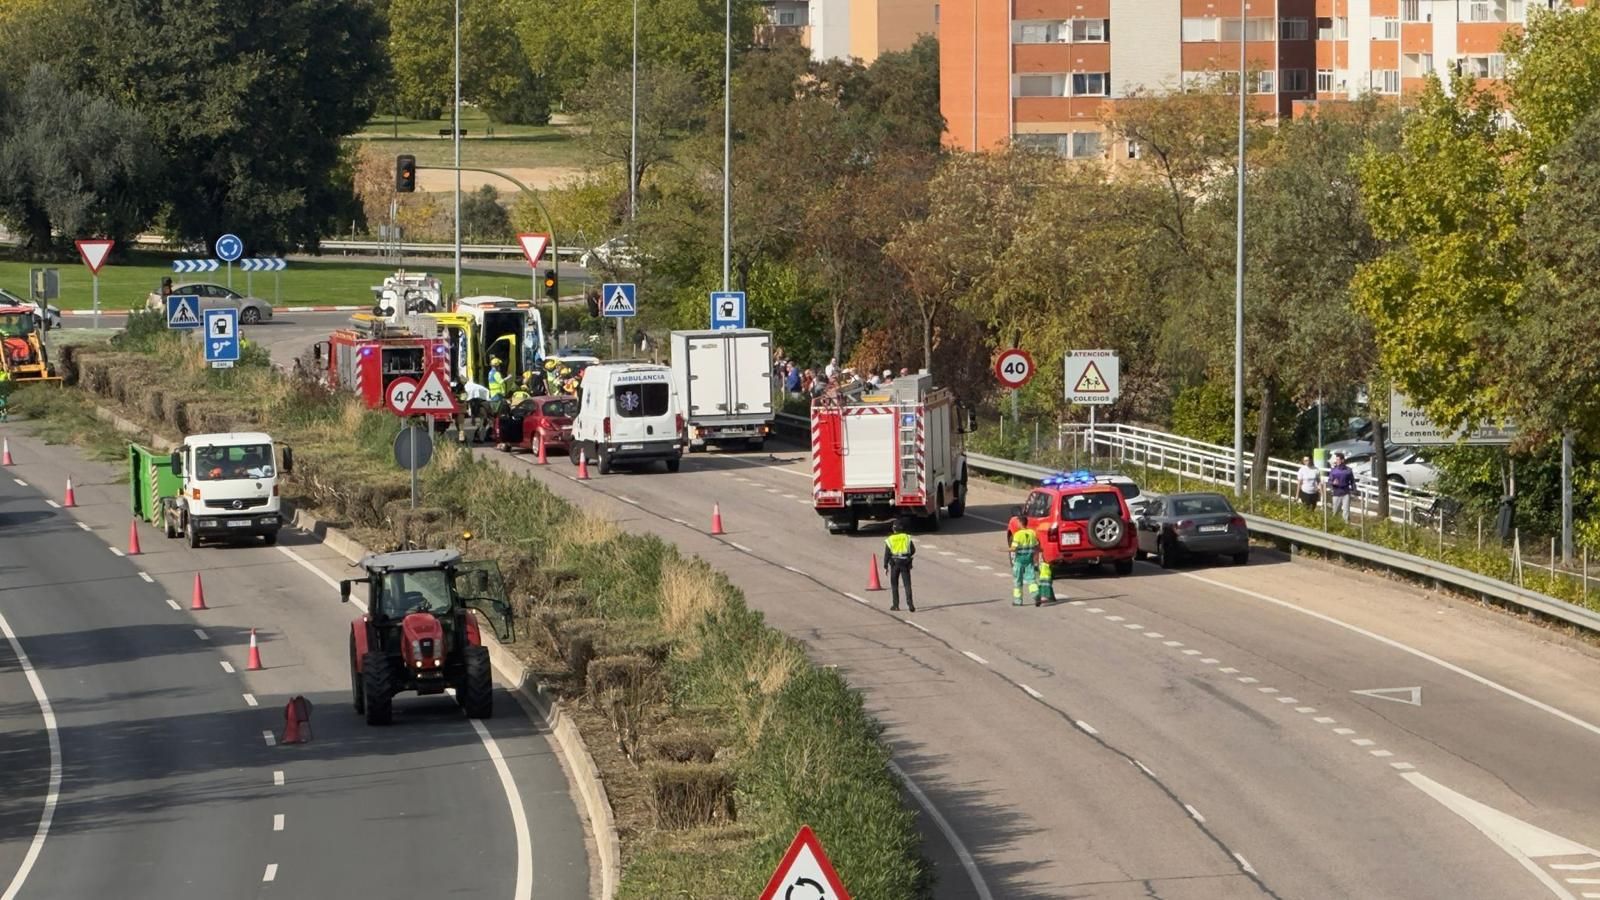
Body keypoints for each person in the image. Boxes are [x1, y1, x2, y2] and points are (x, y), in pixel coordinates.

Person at [883, 519, 916, 612]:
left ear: (894, 529)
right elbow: (913, 550)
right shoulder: (907, 537)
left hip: (894, 564)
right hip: (905, 563)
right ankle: (910, 604)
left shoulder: (890, 539)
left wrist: (885, 566)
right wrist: (907, 555)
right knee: (907, 584)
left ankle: (896, 605)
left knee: (894, 585)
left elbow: (887, 554)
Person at [1010, 518, 1042, 606]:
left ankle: (1018, 600)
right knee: (1031, 579)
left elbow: (1014, 548)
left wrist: (1005, 550)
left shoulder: (1017, 535)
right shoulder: (1032, 533)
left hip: (1019, 560)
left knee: (1018, 581)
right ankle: (1036, 594)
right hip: (1029, 560)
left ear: (1020, 523)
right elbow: (1036, 547)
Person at [1327, 451, 1356, 522]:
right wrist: (1333, 483)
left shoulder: (1348, 470)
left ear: (1342, 460)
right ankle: (1334, 525)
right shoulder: (1333, 470)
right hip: (1336, 493)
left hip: (1346, 493)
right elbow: (1329, 481)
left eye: (1338, 460)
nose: (1336, 461)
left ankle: (1346, 527)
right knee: (1335, 511)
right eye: (1336, 460)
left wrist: (1354, 490)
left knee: (1346, 512)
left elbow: (1352, 481)